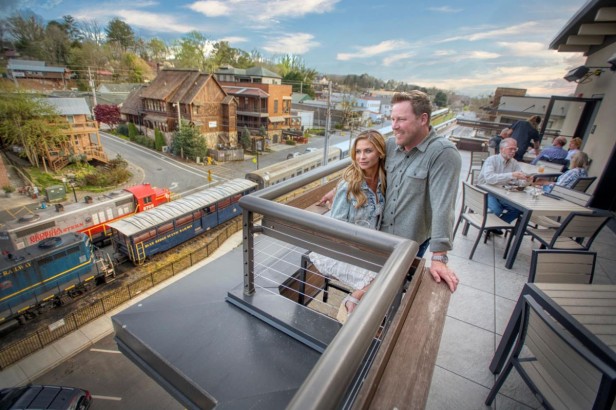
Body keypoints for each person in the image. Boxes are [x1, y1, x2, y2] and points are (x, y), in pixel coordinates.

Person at [320, 90, 461, 293]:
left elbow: (444, 206)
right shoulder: (391, 145)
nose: (394, 126)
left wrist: (439, 257)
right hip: (380, 236)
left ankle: (361, 304)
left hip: (409, 243)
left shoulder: (442, 154)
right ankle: (359, 305)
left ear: (423, 119)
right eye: (392, 119)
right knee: (375, 284)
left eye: (401, 119)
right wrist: (338, 190)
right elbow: (363, 167)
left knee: (391, 289)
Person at [310, 129, 387, 322]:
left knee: (393, 270)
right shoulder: (349, 186)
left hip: (368, 246)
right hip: (344, 249)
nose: (361, 157)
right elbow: (336, 230)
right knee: (385, 276)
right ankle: (352, 302)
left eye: (368, 151)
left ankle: (354, 301)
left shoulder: (383, 181)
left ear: (380, 152)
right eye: (358, 152)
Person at [477, 138, 528, 227]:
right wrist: (511, 175)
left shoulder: (514, 162)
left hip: (502, 193)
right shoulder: (491, 160)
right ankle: (490, 226)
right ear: (501, 149)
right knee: (496, 210)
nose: (513, 151)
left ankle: (494, 227)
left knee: (517, 210)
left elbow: (519, 181)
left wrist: (527, 180)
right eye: (510, 149)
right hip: (486, 191)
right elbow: (489, 179)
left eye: (515, 149)